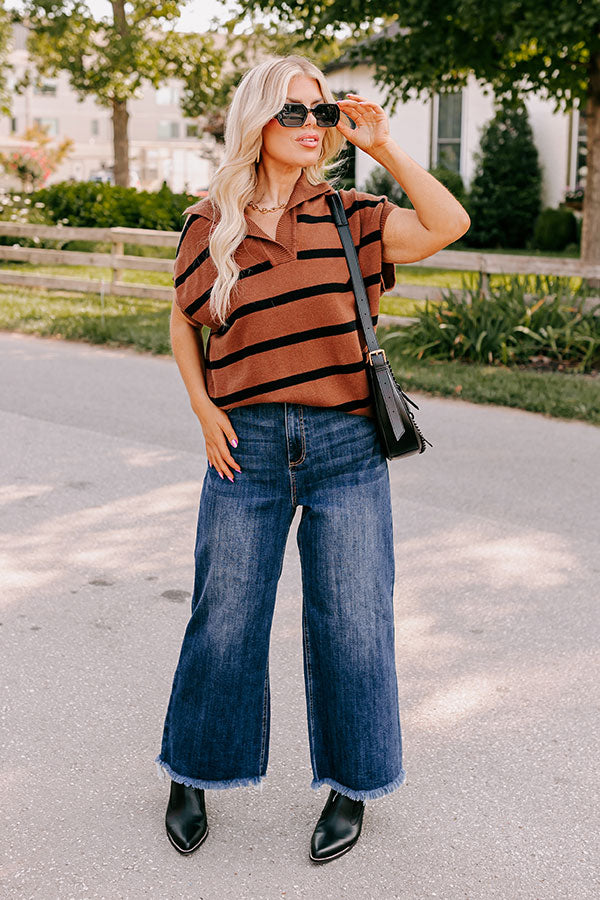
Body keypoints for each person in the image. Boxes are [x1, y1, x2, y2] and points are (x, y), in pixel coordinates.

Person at [154, 54, 470, 862]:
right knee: (224, 617)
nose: (309, 126)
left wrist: (387, 148)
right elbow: (183, 318)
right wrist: (201, 407)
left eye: (320, 112)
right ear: (258, 120)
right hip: (245, 447)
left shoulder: (350, 214)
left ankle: (350, 787)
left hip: (345, 446)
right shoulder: (209, 222)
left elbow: (447, 225)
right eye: (292, 112)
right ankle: (192, 770)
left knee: (355, 624)